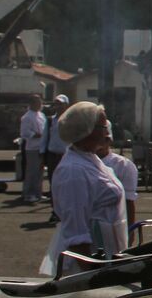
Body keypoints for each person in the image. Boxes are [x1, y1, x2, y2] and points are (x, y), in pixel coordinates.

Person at [41, 101, 128, 276]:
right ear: (87, 131)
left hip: (107, 253)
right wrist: (92, 277)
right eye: (103, 127)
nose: (107, 132)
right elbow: (76, 231)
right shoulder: (73, 171)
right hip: (89, 262)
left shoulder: (91, 160)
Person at [98, 121, 139, 225]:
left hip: (113, 223)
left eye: (105, 139)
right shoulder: (82, 163)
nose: (100, 144)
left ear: (110, 140)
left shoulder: (123, 165)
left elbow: (129, 201)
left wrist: (130, 229)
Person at [43, 94, 70, 221]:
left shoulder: (71, 120)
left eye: (61, 104)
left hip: (66, 156)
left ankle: (65, 210)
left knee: (66, 185)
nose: (58, 106)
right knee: (53, 184)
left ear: (66, 105)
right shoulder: (50, 121)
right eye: (56, 104)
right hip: (52, 156)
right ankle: (55, 211)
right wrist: (42, 154)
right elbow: (44, 138)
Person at [18, 94, 46, 204]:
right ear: (32, 103)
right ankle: (28, 193)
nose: (40, 104)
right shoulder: (27, 117)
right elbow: (24, 132)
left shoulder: (42, 115)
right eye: (37, 102)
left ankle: (38, 193)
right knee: (31, 171)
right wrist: (35, 134)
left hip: (41, 147)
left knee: (40, 172)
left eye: (40, 102)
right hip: (32, 148)